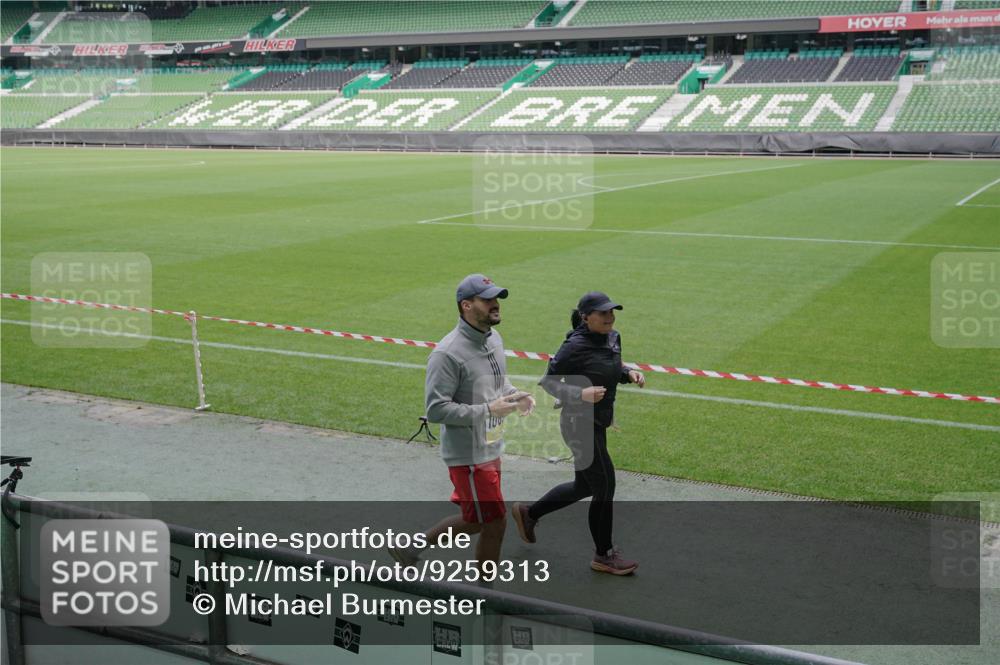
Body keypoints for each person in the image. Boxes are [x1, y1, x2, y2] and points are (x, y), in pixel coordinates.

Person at [390, 274, 534, 570]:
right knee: (493, 522)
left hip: (491, 446)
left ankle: (410, 549)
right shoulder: (447, 354)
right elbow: (436, 410)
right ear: (466, 306)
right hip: (468, 456)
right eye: (487, 300)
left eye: (496, 299)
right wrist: (489, 410)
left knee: (478, 520)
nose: (495, 305)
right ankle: (485, 597)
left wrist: (513, 394)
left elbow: (495, 382)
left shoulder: (493, 339)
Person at [512, 291, 645, 575]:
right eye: (603, 313)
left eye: (612, 312)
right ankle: (603, 555)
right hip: (578, 423)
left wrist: (629, 373)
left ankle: (529, 513)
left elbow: (611, 366)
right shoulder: (573, 346)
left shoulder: (613, 337)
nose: (610, 317)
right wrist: (580, 393)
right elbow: (548, 382)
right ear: (586, 318)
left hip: (597, 422)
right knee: (605, 486)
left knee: (585, 486)